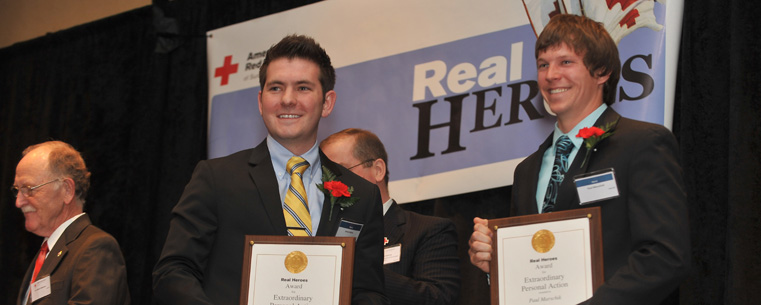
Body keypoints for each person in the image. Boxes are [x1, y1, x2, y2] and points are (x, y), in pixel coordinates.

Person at [467, 14, 690, 304]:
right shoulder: (527, 171)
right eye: (543, 64)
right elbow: (537, 257)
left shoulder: (642, 143)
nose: (551, 75)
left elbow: (665, 256)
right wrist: (496, 265)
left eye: (566, 62)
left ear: (601, 72)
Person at [152, 35, 388, 305]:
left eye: (303, 88)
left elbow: (368, 291)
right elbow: (173, 271)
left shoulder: (363, 195)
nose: (288, 100)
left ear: (327, 103)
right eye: (276, 88)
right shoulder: (216, 178)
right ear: (260, 100)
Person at [321, 128, 461, 305]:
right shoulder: (323, 234)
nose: (330, 183)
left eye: (340, 171)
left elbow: (439, 297)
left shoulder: (428, 230)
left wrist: (359, 267)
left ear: (378, 170)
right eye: (324, 175)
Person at [13, 141, 130, 305]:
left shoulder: (95, 248)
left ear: (67, 190)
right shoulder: (45, 254)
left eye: (29, 189)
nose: (19, 202)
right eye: (17, 190)